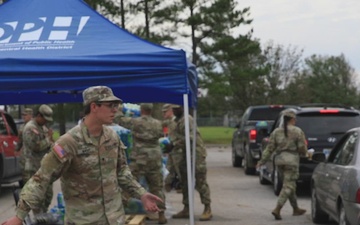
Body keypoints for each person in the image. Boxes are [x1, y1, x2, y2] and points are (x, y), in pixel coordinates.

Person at [1, 86, 162, 225]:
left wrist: (142, 194)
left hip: (115, 219)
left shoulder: (112, 137)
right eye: (110, 105)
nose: (115, 109)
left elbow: (122, 172)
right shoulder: (69, 142)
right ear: (94, 107)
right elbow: (41, 179)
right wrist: (19, 216)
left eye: (116, 105)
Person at [118, 103, 167, 224]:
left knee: (129, 184)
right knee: (157, 187)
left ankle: (121, 210)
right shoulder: (158, 123)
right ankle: (161, 215)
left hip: (139, 158)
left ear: (141, 110)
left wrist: (119, 109)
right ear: (151, 110)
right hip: (154, 158)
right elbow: (162, 135)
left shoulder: (136, 122)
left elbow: (119, 120)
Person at [256, 109, 307, 220]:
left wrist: (261, 161)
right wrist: (306, 154)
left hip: (279, 161)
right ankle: (277, 208)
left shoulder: (276, 132)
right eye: (295, 119)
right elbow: (302, 147)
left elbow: (269, 149)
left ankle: (296, 208)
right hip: (292, 161)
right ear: (292, 119)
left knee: (289, 185)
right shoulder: (297, 131)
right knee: (289, 185)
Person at [166, 105, 212, 221]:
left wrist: (174, 144)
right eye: (174, 109)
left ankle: (207, 208)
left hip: (196, 154)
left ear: (183, 108)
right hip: (184, 155)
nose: (175, 111)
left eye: (177, 108)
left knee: (200, 181)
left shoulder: (188, 119)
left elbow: (190, 137)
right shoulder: (176, 121)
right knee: (185, 182)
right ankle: (187, 208)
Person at [20, 104, 54, 214]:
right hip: (33, 168)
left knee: (48, 194)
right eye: (45, 119)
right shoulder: (30, 128)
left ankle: (43, 213)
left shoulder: (43, 127)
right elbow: (35, 147)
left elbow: (49, 144)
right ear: (39, 115)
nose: (46, 122)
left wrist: (52, 142)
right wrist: (48, 139)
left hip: (43, 166)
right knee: (37, 197)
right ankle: (38, 217)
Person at [161, 104, 182, 193]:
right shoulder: (170, 122)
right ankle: (167, 187)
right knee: (168, 170)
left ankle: (183, 189)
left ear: (170, 111)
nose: (164, 114)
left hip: (177, 151)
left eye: (165, 112)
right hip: (172, 151)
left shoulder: (175, 122)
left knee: (179, 171)